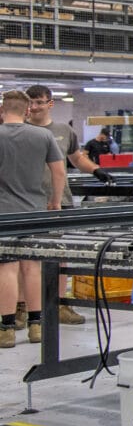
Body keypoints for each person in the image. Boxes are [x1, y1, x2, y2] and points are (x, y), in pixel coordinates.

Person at [25, 85, 112, 326]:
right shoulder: (18, 130)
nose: (34, 107)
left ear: (50, 104)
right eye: (30, 102)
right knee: (25, 258)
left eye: (39, 102)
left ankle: (60, 305)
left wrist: (96, 170)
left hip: (58, 201)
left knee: (60, 255)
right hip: (26, 202)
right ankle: (23, 310)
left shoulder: (64, 131)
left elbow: (76, 159)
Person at [0, 90, 65, 348]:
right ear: (27, 110)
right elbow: (59, 172)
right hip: (35, 211)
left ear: (3, 108)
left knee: (7, 268)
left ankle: (5, 329)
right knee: (32, 266)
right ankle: (36, 326)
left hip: (3, 213)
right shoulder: (43, 135)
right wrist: (55, 202)